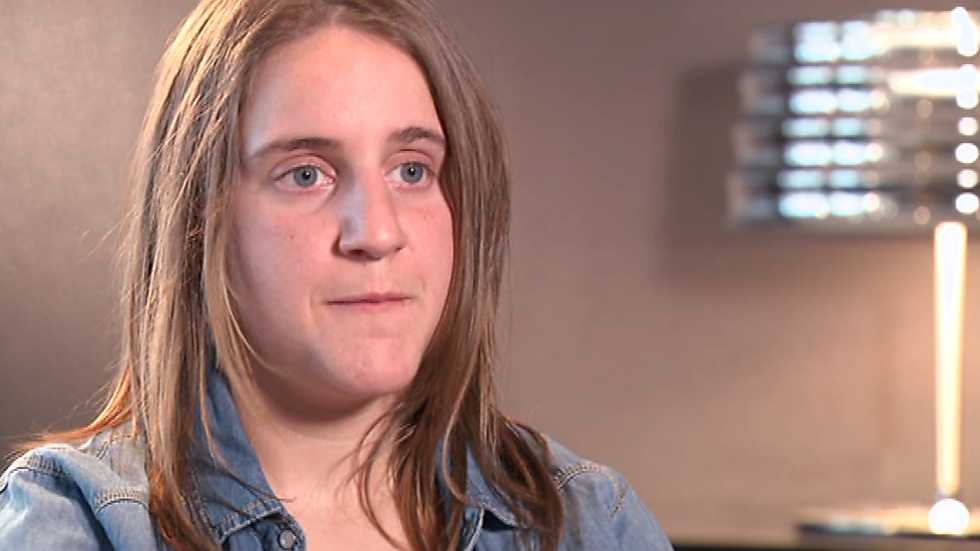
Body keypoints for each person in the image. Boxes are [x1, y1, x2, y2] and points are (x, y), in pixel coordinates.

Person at [0, 1, 674, 549]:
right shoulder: (79, 521)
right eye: (306, 174)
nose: (377, 233)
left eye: (412, 169)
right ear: (200, 219)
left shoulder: (589, 520)